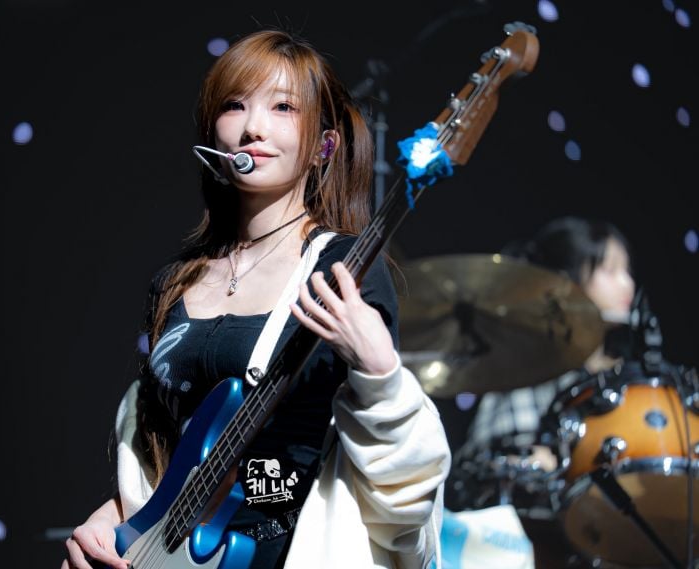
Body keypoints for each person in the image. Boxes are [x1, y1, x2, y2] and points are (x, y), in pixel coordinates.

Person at [61, 29, 451, 569]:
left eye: (283, 107)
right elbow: (160, 452)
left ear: (325, 147)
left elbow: (384, 487)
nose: (253, 127)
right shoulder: (174, 282)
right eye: (234, 105)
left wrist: (382, 373)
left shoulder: (342, 269)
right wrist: (113, 520)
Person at [448, 215, 636, 568]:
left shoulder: (624, 378)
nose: (627, 283)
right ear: (569, 282)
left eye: (627, 271)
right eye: (610, 270)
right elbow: (488, 468)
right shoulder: (532, 372)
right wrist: (549, 466)